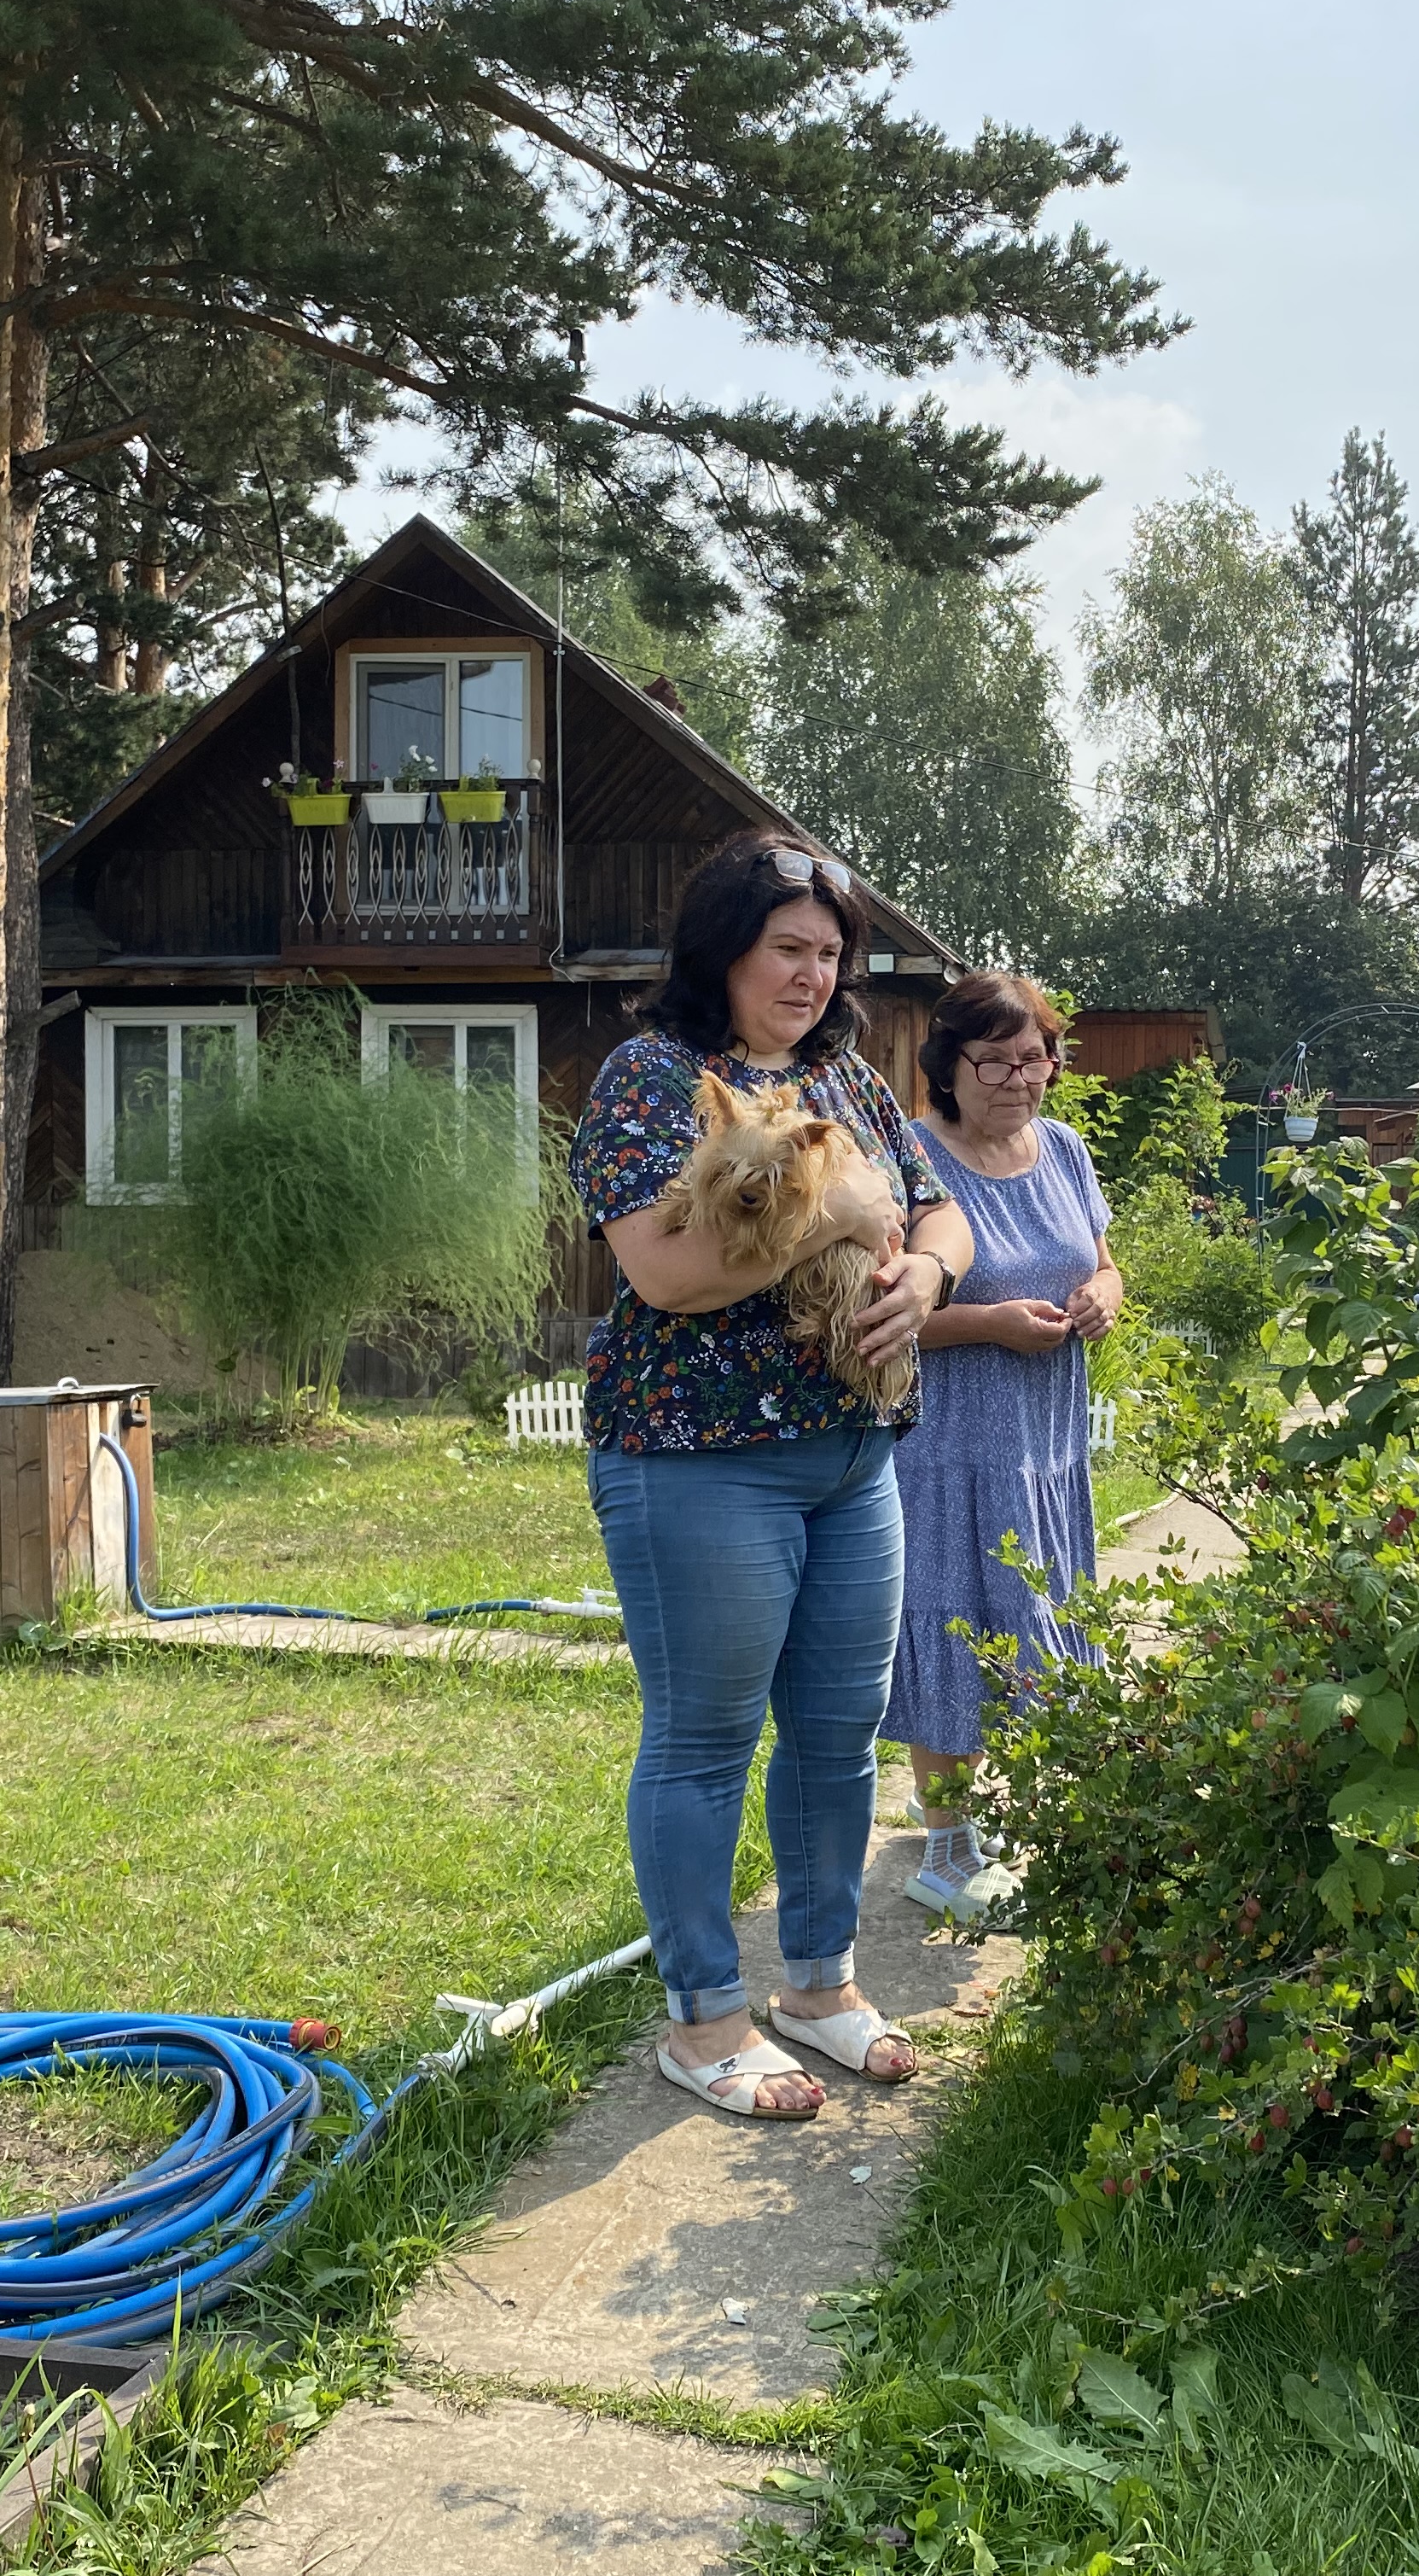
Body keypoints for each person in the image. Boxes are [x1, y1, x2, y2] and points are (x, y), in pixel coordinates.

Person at [568, 835, 980, 2121]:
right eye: (787, 949)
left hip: (858, 1460)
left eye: (829, 954)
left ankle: (819, 1987)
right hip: (701, 1463)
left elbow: (937, 1208)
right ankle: (703, 2020)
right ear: (727, 949)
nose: (812, 975)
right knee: (703, 1739)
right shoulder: (650, 1081)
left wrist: (923, 1273)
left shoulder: (843, 1078)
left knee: (836, 1738)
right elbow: (668, 1276)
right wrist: (844, 1222)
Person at [887, 976, 1122, 1920]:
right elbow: (874, 1316)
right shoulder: (908, 1154)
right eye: (992, 1060)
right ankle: (945, 1846)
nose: (1017, 1078)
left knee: (1033, 1618)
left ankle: (1001, 1812)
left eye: (1033, 1058)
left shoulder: (1062, 1149)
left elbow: (1101, 1260)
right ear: (946, 1066)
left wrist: (1108, 1292)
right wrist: (984, 1322)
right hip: (947, 1442)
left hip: (1046, 1443)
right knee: (953, 1620)